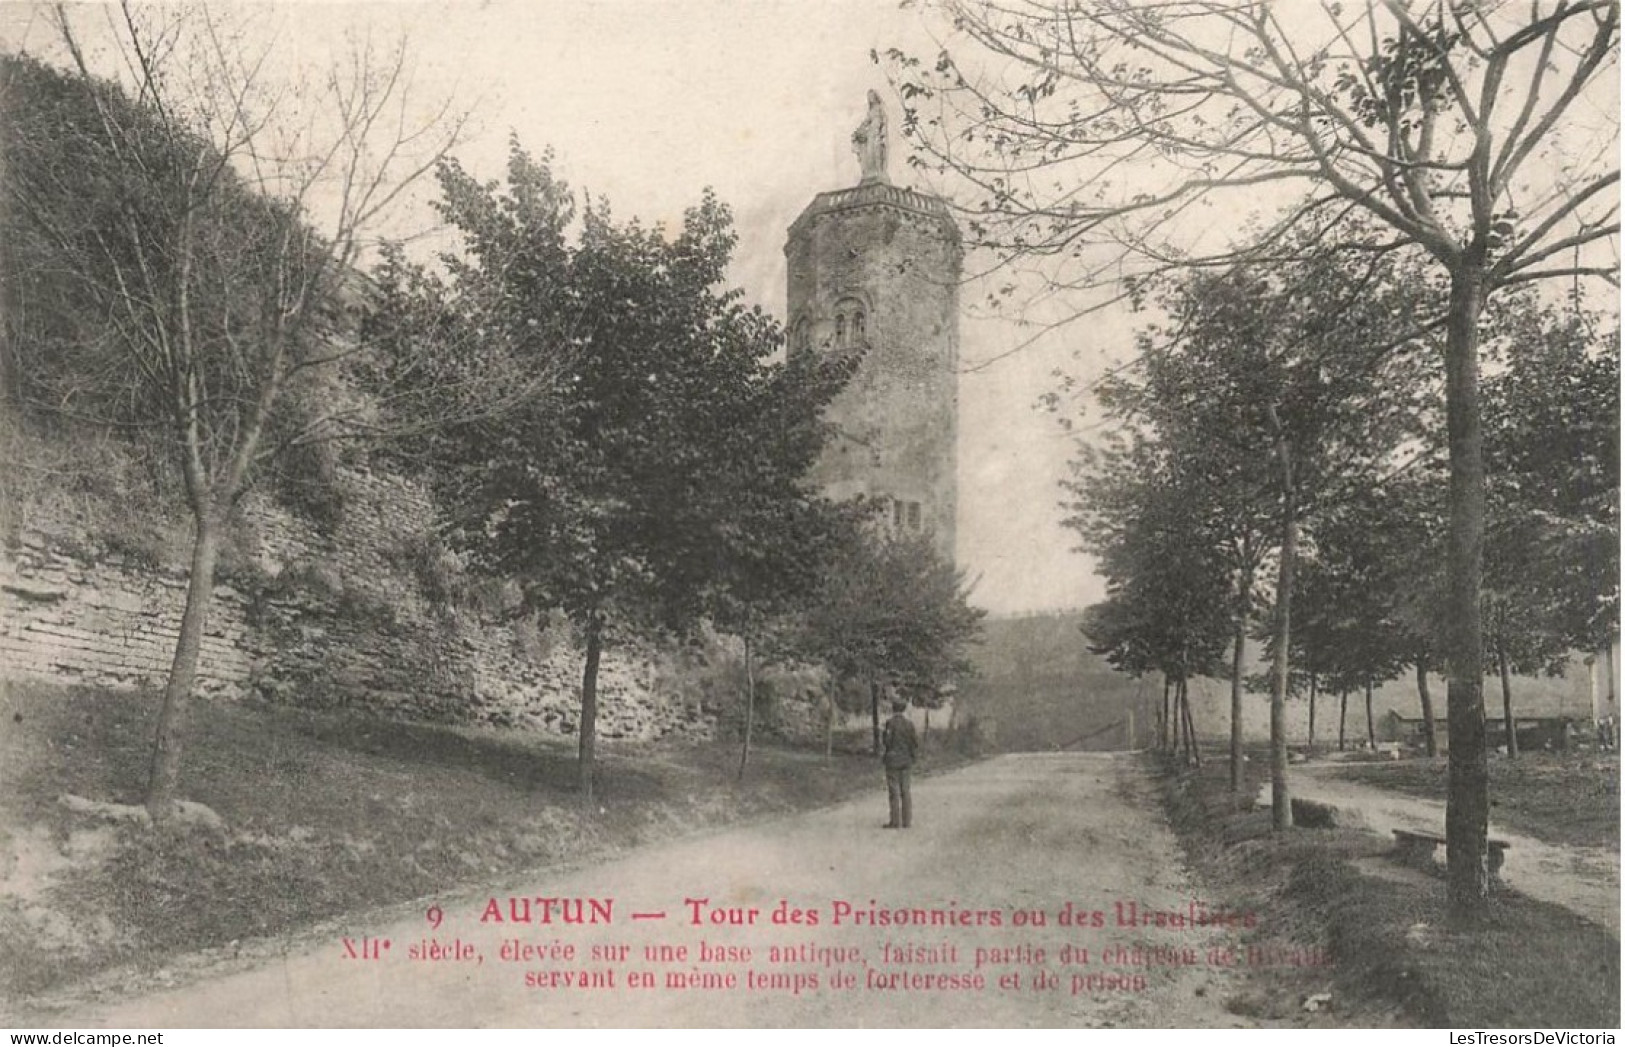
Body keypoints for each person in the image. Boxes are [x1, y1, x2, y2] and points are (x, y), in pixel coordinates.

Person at [881, 693, 919, 829]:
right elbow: (915, 742)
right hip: (906, 760)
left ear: (893, 708)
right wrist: (912, 756)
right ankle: (907, 821)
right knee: (906, 790)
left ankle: (895, 821)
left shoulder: (890, 724)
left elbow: (886, 742)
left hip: (892, 760)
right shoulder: (909, 724)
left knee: (894, 791)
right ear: (903, 709)